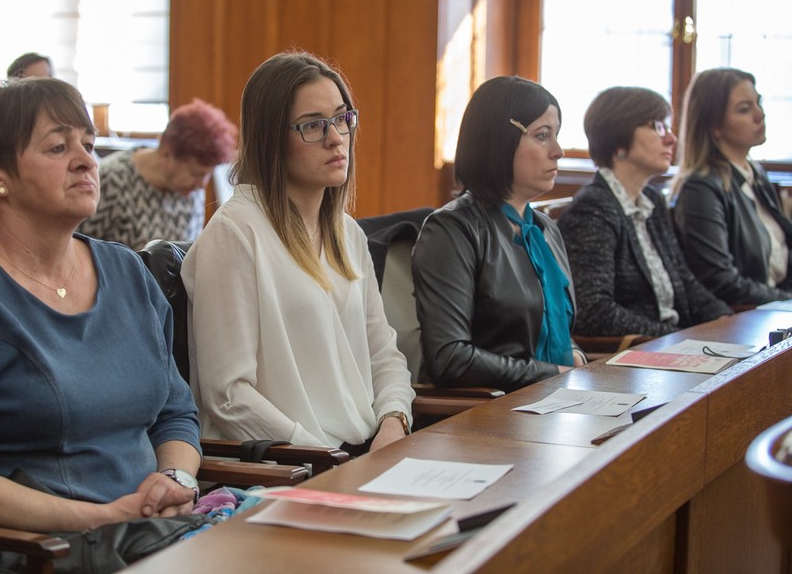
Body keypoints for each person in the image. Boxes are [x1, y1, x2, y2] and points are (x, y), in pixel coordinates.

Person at [0, 77, 202, 533]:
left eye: (88, 144)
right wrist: (104, 518)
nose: (87, 161)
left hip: (154, 533)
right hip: (43, 551)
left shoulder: (127, 271)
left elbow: (175, 414)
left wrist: (175, 480)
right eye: (58, 147)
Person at [182, 52, 414, 456]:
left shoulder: (348, 233)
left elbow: (384, 355)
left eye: (342, 118)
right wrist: (322, 457)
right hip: (290, 463)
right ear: (271, 139)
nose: (336, 138)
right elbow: (228, 395)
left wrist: (394, 422)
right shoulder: (235, 233)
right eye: (312, 125)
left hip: (358, 453)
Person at [411, 76, 585, 393]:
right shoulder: (451, 230)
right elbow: (450, 359)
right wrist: (549, 374)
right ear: (499, 141)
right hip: (485, 410)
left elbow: (550, 329)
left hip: (551, 397)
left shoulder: (545, 229)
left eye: (556, 136)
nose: (558, 151)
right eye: (542, 136)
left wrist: (574, 356)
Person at [557, 87, 732, 338]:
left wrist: (725, 320)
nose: (671, 139)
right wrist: (676, 336)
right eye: (658, 127)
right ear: (618, 140)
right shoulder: (591, 209)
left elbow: (684, 281)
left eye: (668, 128)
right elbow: (594, 312)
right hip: (637, 353)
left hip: (669, 341)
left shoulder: (652, 200)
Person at [670, 68, 792, 306]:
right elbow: (721, 282)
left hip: (772, 307)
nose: (760, 115)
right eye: (744, 109)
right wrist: (786, 302)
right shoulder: (701, 188)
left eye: (759, 103)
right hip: (744, 315)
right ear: (714, 125)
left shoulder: (755, 174)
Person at [78, 99, 237, 249]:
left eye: (207, 175)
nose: (202, 185)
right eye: (196, 174)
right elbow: (79, 248)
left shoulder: (190, 189)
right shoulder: (110, 180)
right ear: (166, 154)